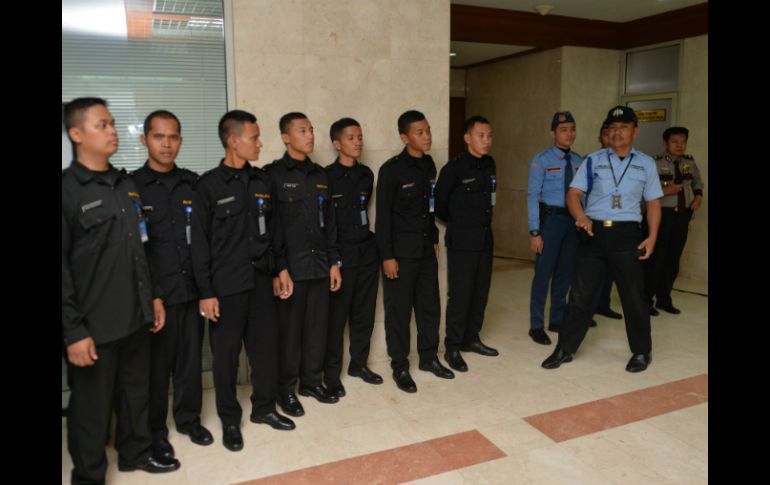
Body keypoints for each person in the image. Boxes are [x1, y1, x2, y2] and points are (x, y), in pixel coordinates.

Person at [63, 97, 180, 484]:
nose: (113, 131)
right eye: (102, 125)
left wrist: (155, 296)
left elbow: (142, 249)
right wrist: (73, 331)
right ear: (76, 134)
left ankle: (136, 454)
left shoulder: (126, 185)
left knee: (136, 395)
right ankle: (89, 476)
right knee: (91, 409)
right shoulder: (68, 191)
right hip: (93, 324)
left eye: (113, 123)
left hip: (135, 315)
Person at [191, 110, 295, 453]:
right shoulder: (207, 186)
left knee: (265, 352)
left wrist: (280, 269)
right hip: (225, 288)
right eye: (254, 137)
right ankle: (230, 420)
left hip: (261, 282)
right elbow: (199, 245)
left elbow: (275, 232)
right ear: (233, 141)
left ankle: (263, 409)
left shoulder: (262, 182)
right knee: (226, 358)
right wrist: (206, 292)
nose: (260, 143)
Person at [542, 105, 663, 373]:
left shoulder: (646, 163)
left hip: (627, 235)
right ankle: (565, 349)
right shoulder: (593, 160)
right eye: (613, 127)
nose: (617, 132)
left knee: (633, 297)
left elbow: (654, 203)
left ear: (635, 131)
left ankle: (641, 351)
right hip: (593, 234)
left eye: (624, 127)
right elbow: (573, 194)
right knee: (580, 295)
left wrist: (652, 237)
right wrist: (581, 216)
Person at [131, 110, 214, 460]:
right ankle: (155, 432)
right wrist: (152, 295)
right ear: (144, 140)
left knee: (189, 363)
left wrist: (207, 290)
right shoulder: (132, 187)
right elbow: (136, 250)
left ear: (180, 141)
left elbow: (204, 242)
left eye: (173, 137)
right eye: (159, 136)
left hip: (191, 292)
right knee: (155, 371)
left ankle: (188, 420)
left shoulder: (193, 184)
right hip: (155, 298)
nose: (166, 144)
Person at [267, 112, 342, 417]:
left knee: (316, 330)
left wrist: (334, 262)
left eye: (311, 130)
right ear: (286, 137)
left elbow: (330, 223)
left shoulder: (321, 175)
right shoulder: (273, 175)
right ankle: (286, 389)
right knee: (290, 334)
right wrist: (280, 268)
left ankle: (311, 382)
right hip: (291, 270)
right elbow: (272, 228)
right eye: (302, 130)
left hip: (320, 265)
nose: (310, 135)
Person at [376, 109, 455, 394]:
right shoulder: (391, 170)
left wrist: (433, 238)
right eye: (420, 132)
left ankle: (429, 357)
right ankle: (400, 366)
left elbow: (429, 208)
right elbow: (383, 217)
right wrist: (387, 256)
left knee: (429, 306)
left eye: (428, 130)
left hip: (425, 251)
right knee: (398, 312)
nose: (427, 136)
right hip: (400, 254)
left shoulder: (429, 165)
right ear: (404, 137)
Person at [434, 115, 499, 373]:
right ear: (467, 138)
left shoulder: (490, 164)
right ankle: (452, 346)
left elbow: (491, 198)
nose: (487, 141)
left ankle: (472, 338)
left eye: (489, 136)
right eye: (481, 136)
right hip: (462, 240)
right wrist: (459, 223)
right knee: (460, 294)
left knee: (481, 291)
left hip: (485, 238)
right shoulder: (454, 169)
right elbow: (440, 205)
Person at [323, 118, 383, 396]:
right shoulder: (325, 177)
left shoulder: (367, 175)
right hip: (340, 255)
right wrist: (333, 260)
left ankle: (359, 365)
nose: (358, 142)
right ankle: (331, 375)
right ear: (337, 144)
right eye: (351, 138)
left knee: (364, 314)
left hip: (366, 253)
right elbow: (325, 224)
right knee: (336, 320)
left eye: (360, 137)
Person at [526, 111, 581, 345]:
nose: (569, 134)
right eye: (563, 130)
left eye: (572, 129)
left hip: (572, 223)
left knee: (565, 274)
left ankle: (557, 319)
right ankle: (536, 325)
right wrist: (534, 232)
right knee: (543, 274)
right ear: (553, 133)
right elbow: (532, 196)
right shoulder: (542, 160)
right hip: (551, 222)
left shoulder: (578, 161)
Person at [645, 126, 704, 315]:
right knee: (656, 259)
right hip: (661, 215)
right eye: (675, 141)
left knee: (673, 259)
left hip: (682, 216)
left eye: (683, 141)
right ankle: (646, 300)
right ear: (666, 143)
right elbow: (644, 190)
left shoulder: (689, 162)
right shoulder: (654, 163)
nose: (680, 145)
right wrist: (665, 191)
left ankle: (664, 299)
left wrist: (698, 196)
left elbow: (697, 181)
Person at [594, 122, 624, 320]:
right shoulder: (592, 161)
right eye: (606, 134)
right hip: (595, 223)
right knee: (592, 271)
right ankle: (587, 310)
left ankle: (603, 305)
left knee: (610, 269)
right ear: (600, 138)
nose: (610, 138)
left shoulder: (624, 162)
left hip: (617, 223)